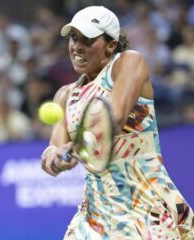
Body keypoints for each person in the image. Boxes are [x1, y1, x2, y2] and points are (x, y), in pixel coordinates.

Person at [40, 6, 194, 239]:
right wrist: (56, 158)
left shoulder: (129, 63)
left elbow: (115, 115)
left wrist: (84, 141)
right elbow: (53, 148)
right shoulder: (64, 95)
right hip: (93, 215)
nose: (77, 46)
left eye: (88, 39)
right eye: (73, 38)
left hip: (144, 208)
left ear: (110, 45)